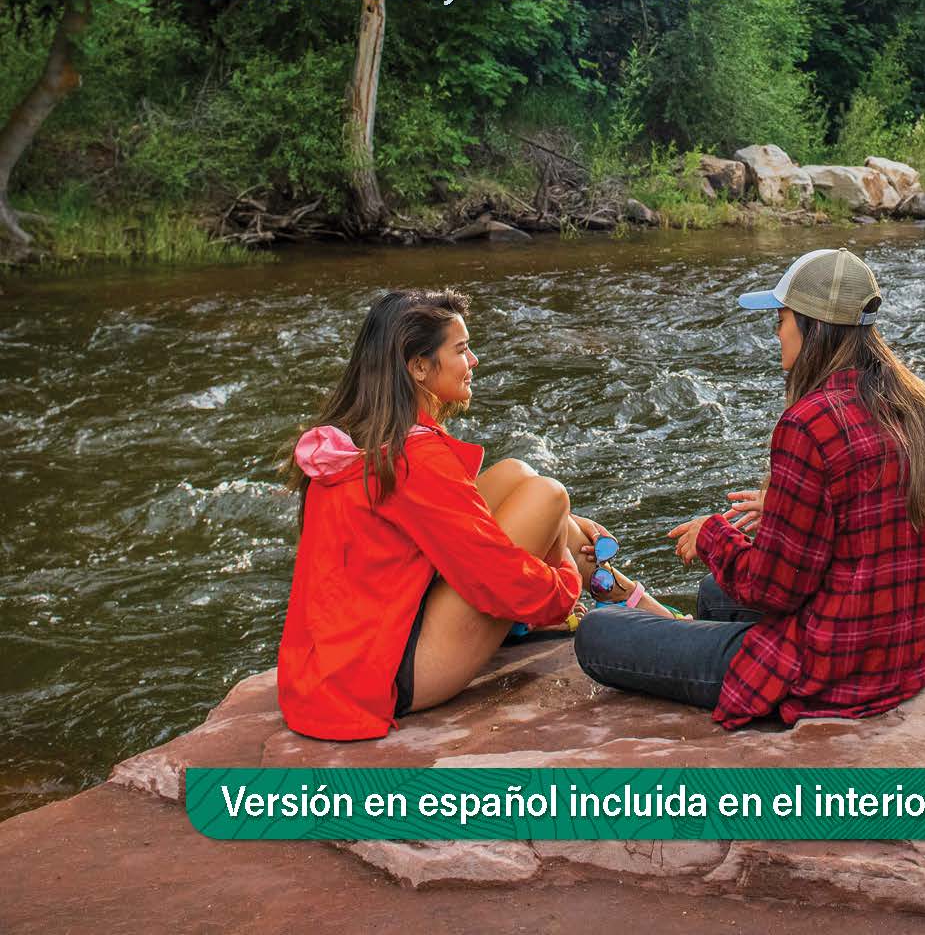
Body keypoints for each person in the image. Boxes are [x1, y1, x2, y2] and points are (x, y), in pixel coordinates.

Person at [574, 248, 925, 728]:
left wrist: (712, 535)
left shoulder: (809, 423)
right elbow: (867, 514)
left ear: (814, 327)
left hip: (832, 670)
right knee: (712, 595)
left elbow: (773, 590)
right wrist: (784, 508)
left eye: (782, 319)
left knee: (598, 633)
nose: (776, 333)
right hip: (906, 655)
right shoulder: (918, 403)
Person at [278, 287, 675, 741]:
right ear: (420, 367)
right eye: (462, 350)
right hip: (383, 678)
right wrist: (564, 573)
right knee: (547, 495)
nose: (475, 361)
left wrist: (559, 531)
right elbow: (503, 581)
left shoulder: (363, 437)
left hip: (329, 671)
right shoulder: (416, 459)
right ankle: (629, 604)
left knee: (516, 473)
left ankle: (627, 599)